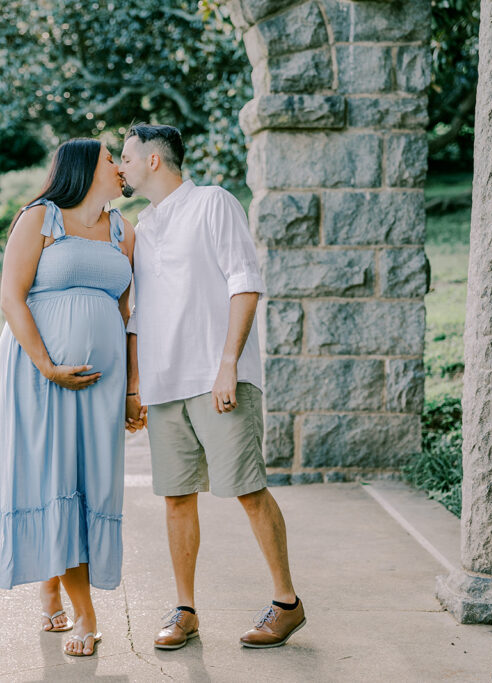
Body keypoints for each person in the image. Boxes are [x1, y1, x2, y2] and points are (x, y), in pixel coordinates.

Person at [118, 124, 305, 650]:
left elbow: (245, 283)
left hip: (218, 378)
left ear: (154, 160)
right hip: (165, 383)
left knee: (247, 490)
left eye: (128, 158)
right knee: (176, 498)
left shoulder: (214, 203)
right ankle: (184, 611)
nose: (122, 167)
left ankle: (287, 604)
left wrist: (229, 365)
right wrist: (137, 387)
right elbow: (139, 317)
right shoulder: (144, 226)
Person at [0, 138, 136, 657]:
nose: (120, 166)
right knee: (57, 479)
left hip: (101, 381)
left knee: (90, 484)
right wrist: (48, 365)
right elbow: (11, 296)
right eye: (111, 158)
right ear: (86, 167)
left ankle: (52, 581)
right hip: (39, 373)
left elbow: (126, 316)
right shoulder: (40, 217)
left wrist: (131, 389)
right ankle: (85, 612)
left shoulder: (124, 231)